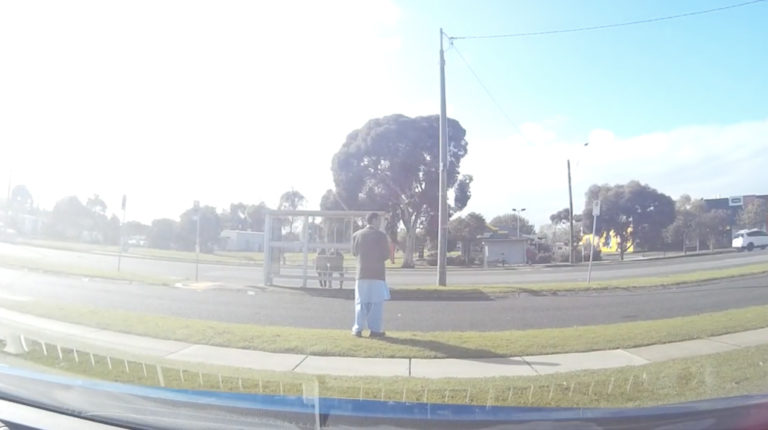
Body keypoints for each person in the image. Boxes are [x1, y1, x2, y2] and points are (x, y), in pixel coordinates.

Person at [351, 212, 391, 338]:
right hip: (377, 274)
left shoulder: (356, 235)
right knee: (376, 304)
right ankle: (375, 330)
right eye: (379, 220)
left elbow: (354, 252)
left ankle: (357, 329)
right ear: (374, 220)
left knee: (360, 302)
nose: (380, 223)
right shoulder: (381, 236)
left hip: (361, 273)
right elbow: (386, 255)